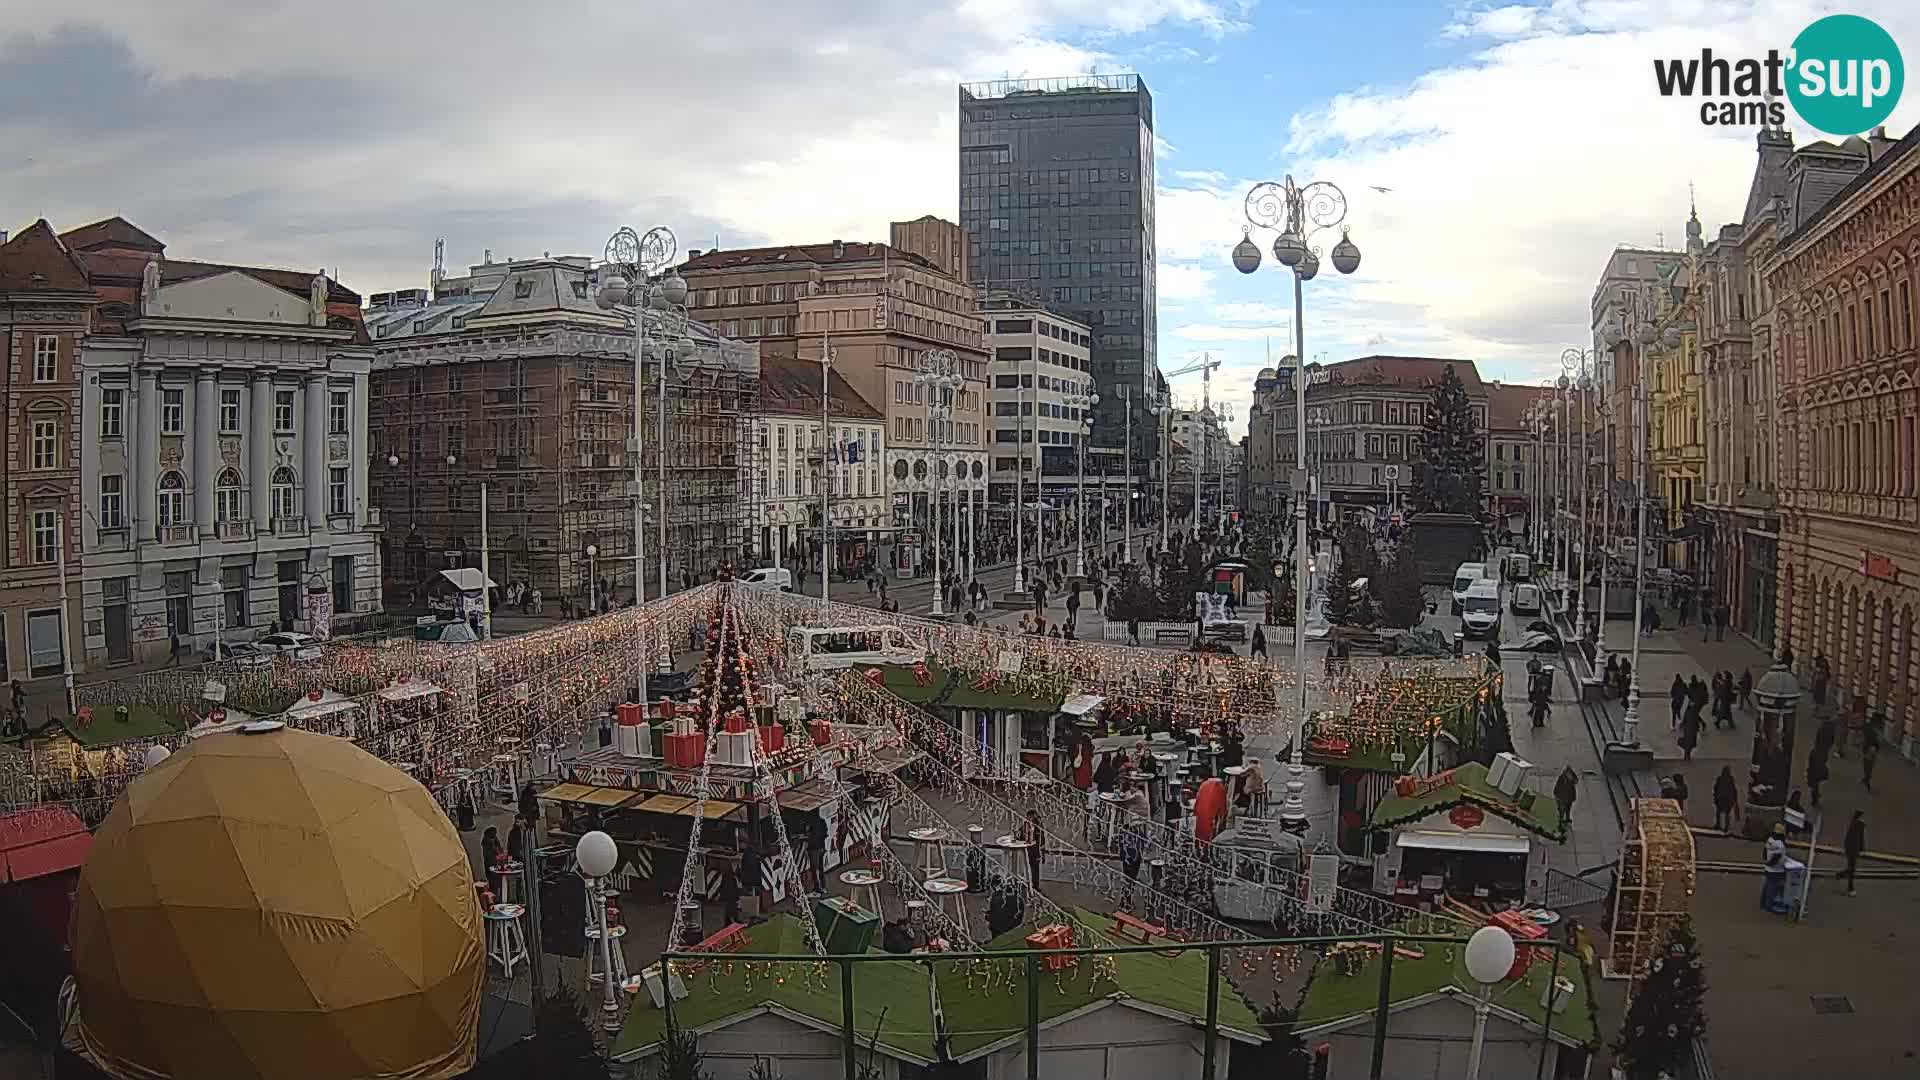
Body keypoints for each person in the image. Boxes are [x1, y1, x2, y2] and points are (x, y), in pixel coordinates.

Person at [1761, 823, 1788, 911]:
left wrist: (1766, 862)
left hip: (1769, 868)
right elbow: (1776, 858)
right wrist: (1771, 864)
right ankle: (1770, 905)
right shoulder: (1780, 844)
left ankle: (1763, 903)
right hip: (1777, 870)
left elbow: (1765, 852)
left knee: (1767, 886)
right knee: (1773, 888)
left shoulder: (1770, 839)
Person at [1841, 810, 1866, 897]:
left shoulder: (1854, 824)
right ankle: (1849, 886)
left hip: (1851, 850)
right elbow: (1861, 838)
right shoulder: (1860, 825)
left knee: (1851, 868)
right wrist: (1861, 849)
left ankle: (1850, 888)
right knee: (1852, 868)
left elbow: (1848, 838)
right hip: (1854, 850)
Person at [1019, 809, 1045, 884]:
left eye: (1030, 817)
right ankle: (1031, 884)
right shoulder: (1026, 825)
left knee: (1034, 869)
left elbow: (1042, 840)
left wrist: (1042, 854)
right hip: (1029, 850)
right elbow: (1021, 834)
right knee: (1030, 868)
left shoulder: (1038, 827)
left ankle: (1034, 885)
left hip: (1035, 851)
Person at [1712, 766, 1740, 833]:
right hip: (1727, 799)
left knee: (1719, 812)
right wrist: (1735, 799)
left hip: (1721, 798)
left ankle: (1719, 825)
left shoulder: (1720, 778)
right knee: (1726, 814)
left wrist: (1715, 796)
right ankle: (1725, 827)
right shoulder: (1730, 779)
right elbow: (1733, 790)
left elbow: (1715, 788)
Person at [481, 827, 504, 899]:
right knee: (494, 885)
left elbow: (500, 851)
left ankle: (498, 898)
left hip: (496, 866)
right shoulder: (487, 843)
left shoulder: (494, 841)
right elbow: (490, 855)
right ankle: (495, 899)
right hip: (491, 867)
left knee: (499, 885)